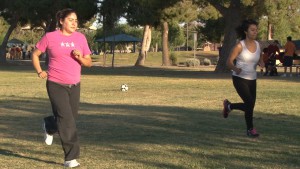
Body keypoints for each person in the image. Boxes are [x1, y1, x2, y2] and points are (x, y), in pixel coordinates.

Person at [32, 8, 92, 168]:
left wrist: (79, 57)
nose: (74, 23)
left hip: (75, 85)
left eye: (76, 20)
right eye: (71, 19)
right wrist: (40, 71)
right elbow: (35, 54)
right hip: (55, 83)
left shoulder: (81, 38)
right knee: (67, 121)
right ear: (61, 21)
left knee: (69, 118)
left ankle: (50, 125)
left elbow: (88, 62)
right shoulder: (50, 37)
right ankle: (70, 158)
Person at [222, 19, 264, 138]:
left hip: (252, 79)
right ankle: (250, 130)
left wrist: (261, 62)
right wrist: (235, 69)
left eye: (256, 30)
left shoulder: (258, 45)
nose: (255, 32)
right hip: (239, 78)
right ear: (246, 31)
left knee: (250, 106)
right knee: (249, 104)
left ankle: (229, 106)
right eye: (252, 30)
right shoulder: (240, 46)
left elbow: (260, 57)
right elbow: (228, 62)